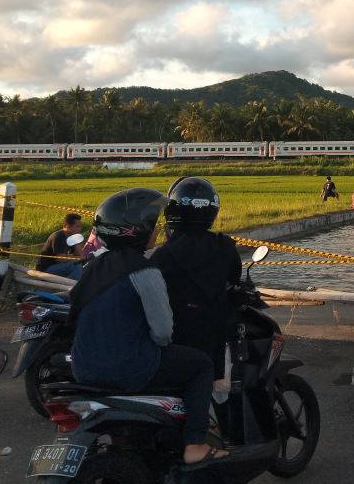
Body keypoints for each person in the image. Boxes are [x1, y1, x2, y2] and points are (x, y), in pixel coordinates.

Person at [70, 187, 226, 465]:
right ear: (137, 230)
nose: (158, 229)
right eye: (153, 224)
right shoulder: (145, 270)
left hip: (83, 369)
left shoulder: (92, 268)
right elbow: (163, 332)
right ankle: (195, 444)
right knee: (200, 364)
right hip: (128, 367)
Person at [151, 177, 242, 394]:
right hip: (213, 342)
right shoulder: (225, 247)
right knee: (222, 391)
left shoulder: (163, 255)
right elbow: (235, 279)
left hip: (175, 339)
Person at [37, 213, 86, 280]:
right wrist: (78, 258)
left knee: (83, 264)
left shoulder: (71, 237)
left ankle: (73, 284)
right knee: (76, 265)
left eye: (80, 226)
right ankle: (73, 286)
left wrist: (77, 243)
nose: (79, 229)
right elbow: (61, 258)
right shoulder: (58, 236)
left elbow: (78, 254)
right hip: (46, 269)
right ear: (67, 226)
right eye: (77, 227)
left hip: (58, 266)